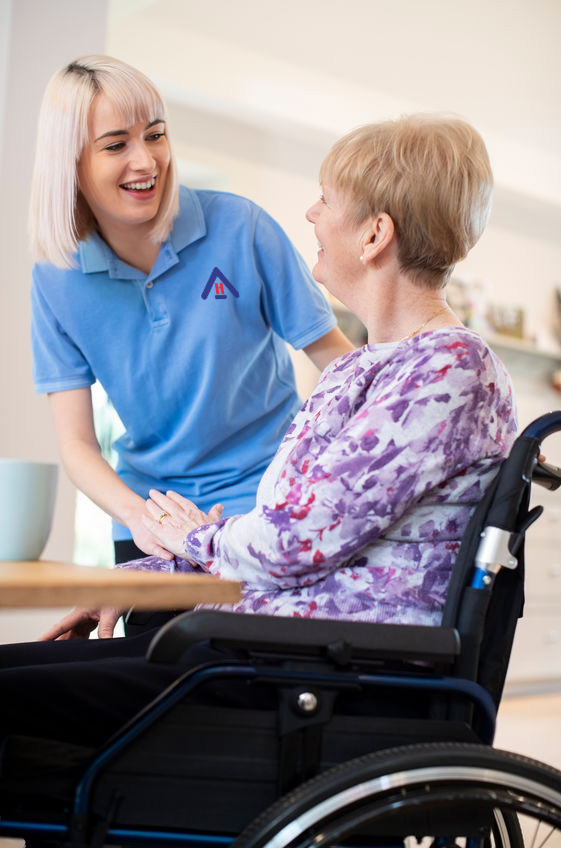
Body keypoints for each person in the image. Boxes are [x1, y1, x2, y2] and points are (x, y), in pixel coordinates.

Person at [0, 114, 516, 748]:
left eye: (326, 199)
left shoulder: (447, 369)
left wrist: (192, 535)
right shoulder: (364, 367)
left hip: (312, 674)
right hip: (266, 648)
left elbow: (296, 538)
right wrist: (138, 581)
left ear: (376, 234)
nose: (310, 214)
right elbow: (295, 528)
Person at [29, 54, 352, 576]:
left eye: (154, 135)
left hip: (264, 500)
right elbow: (78, 446)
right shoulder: (55, 278)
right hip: (150, 515)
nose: (146, 161)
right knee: (150, 657)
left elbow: (339, 361)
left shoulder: (240, 227)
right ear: (70, 163)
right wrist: (141, 517)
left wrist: (317, 469)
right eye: (116, 145)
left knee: (246, 657)